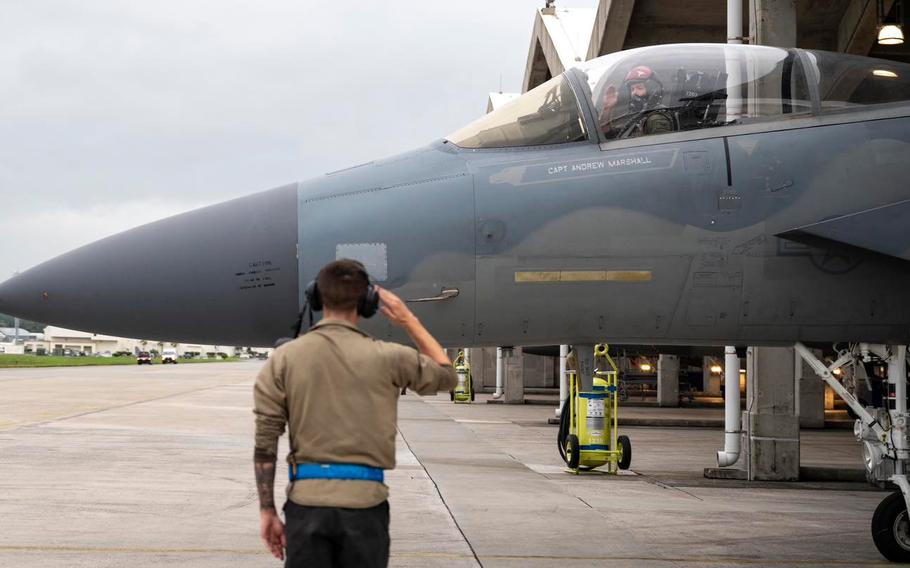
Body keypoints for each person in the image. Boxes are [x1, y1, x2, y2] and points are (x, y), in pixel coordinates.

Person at [252, 259, 457, 568]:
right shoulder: (389, 357)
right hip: (366, 507)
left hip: (307, 506)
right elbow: (447, 376)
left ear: (317, 299)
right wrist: (409, 320)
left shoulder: (284, 359)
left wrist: (267, 511)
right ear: (367, 302)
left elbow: (265, 442)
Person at [600, 65, 674, 139]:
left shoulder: (656, 119)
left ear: (652, 91)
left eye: (639, 88)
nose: (634, 93)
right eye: (632, 89)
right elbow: (607, 135)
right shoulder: (637, 118)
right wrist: (607, 108)